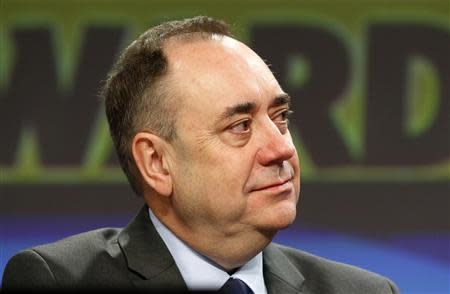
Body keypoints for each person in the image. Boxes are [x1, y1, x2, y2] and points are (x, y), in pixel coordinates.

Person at [2, 16, 399, 293]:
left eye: (280, 117)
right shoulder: (60, 280)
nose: (282, 148)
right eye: (240, 126)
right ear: (157, 163)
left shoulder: (367, 291)